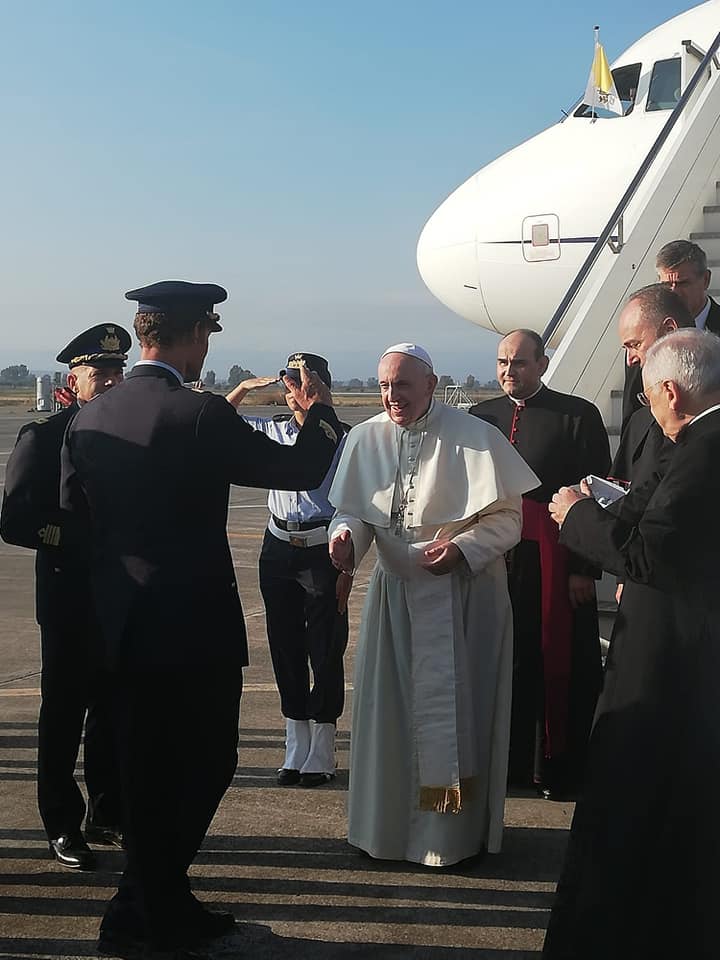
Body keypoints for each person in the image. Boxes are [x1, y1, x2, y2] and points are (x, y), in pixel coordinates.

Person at [61, 281, 342, 956]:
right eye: (209, 334)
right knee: (206, 762)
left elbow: (73, 519)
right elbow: (301, 467)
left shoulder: (91, 415)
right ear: (192, 335)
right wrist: (320, 411)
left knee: (143, 769)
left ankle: (162, 898)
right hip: (192, 631)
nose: (209, 348)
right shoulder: (197, 413)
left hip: (121, 628)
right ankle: (139, 909)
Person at [544, 328, 720, 959]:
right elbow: (649, 510)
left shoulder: (702, 448)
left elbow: (649, 551)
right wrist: (606, 502)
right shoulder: (694, 440)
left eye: (651, 397)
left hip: (674, 656)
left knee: (640, 799)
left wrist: (574, 516)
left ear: (670, 391)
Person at [328, 342, 538, 867]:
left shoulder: (476, 438)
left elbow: (509, 521)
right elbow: (355, 513)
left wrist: (464, 549)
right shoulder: (363, 437)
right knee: (389, 719)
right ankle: (387, 833)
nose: (391, 396)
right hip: (396, 601)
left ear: (430, 382)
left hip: (465, 600)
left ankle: (452, 839)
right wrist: (345, 539)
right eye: (383, 386)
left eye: (401, 384)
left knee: (462, 716)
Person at [1, 324, 129, 869]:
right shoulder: (43, 438)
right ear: (72, 380)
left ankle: (107, 812)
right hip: (69, 596)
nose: (109, 382)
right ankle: (60, 822)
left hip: (121, 597)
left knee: (112, 712)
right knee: (62, 717)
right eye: (98, 373)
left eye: (116, 373)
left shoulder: (130, 440)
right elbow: (13, 522)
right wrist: (76, 537)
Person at [469, 330, 610, 799]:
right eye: (503, 362)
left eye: (520, 363)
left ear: (542, 364)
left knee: (554, 660)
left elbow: (594, 497)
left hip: (554, 560)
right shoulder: (480, 418)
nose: (510, 371)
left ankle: (555, 768)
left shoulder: (578, 416)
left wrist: (584, 569)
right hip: (494, 559)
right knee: (500, 657)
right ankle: (502, 764)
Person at [226, 353, 350, 787]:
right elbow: (221, 425)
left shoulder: (343, 437)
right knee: (284, 646)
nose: (293, 390)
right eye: (289, 381)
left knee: (326, 646)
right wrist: (242, 389)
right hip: (278, 547)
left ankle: (323, 743)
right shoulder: (273, 428)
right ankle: (295, 741)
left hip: (323, 549)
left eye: (303, 381)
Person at [621, 239, 720, 426]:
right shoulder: (641, 343)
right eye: (666, 285)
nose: (674, 293)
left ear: (705, 279)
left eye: (683, 284)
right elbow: (632, 413)